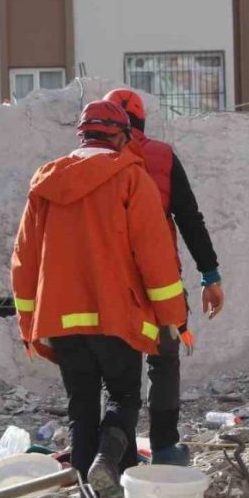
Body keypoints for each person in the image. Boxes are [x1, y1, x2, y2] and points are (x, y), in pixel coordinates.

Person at [10, 100, 187, 498]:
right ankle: (108, 461)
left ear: (83, 136)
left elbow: (24, 260)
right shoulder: (131, 178)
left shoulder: (46, 182)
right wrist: (171, 317)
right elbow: (155, 257)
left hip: (62, 319)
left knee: (81, 411)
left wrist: (28, 321)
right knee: (124, 397)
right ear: (121, 136)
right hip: (116, 315)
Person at [102, 88, 226, 467]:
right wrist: (210, 274)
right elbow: (190, 219)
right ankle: (165, 447)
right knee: (164, 361)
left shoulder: (90, 162)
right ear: (141, 123)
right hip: (160, 282)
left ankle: (114, 456)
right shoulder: (161, 156)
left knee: (119, 372)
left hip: (111, 282)